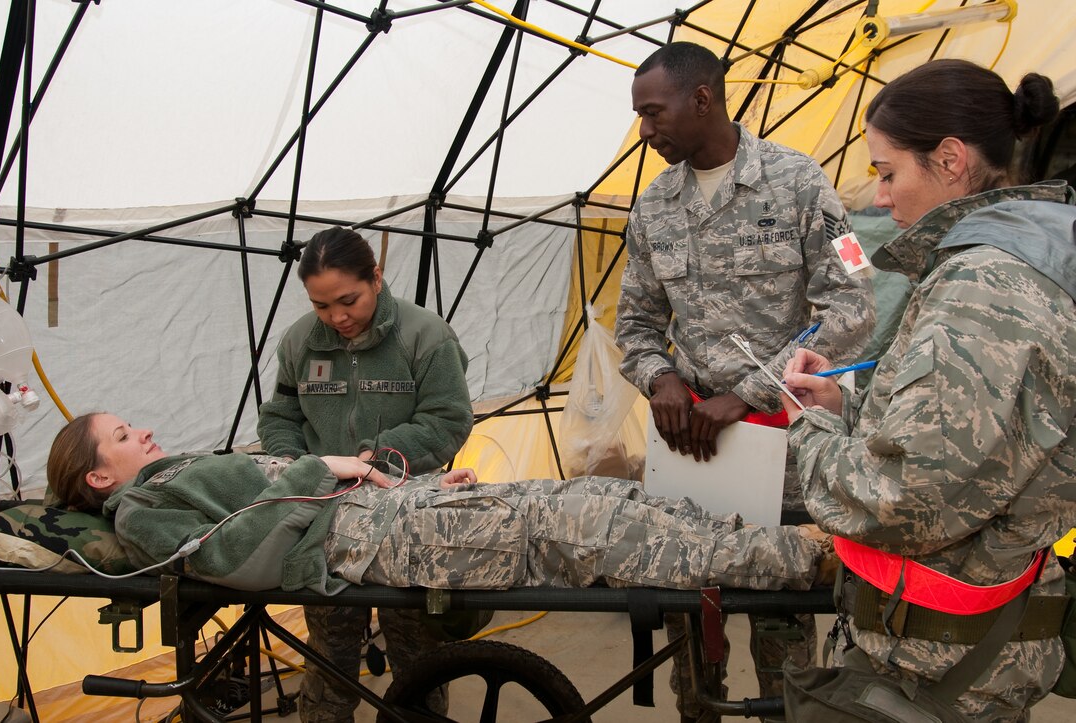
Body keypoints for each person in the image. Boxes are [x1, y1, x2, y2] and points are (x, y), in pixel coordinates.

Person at [781, 59, 1074, 721]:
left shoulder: (985, 285)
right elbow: (985, 433)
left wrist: (810, 424)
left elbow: (903, 499)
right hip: (973, 649)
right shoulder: (1021, 257)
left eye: (888, 173)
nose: (880, 197)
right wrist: (849, 406)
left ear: (949, 159)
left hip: (932, 668)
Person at [615, 41, 875, 719]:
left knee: (785, 637)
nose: (645, 130)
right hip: (691, 452)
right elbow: (635, 326)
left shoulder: (801, 182)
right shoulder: (652, 210)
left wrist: (753, 394)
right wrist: (661, 379)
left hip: (782, 453)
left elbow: (853, 305)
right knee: (689, 635)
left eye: (653, 112)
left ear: (703, 98)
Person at [46, 411, 836, 591]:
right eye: (120, 433)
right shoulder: (141, 511)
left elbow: (279, 496)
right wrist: (313, 469)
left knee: (594, 492)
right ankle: (810, 561)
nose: (140, 430)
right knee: (582, 527)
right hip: (359, 542)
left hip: (390, 512)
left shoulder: (180, 468)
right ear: (99, 476)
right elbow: (233, 560)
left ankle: (785, 539)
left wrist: (415, 482)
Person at [256, 226, 474, 721]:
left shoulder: (425, 335)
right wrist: (297, 468)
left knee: (416, 654)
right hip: (324, 520)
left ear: (376, 277)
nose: (337, 318)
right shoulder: (299, 342)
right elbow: (280, 416)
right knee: (329, 654)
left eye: (348, 300)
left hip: (406, 515)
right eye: (321, 306)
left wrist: (380, 459)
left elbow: (448, 419)